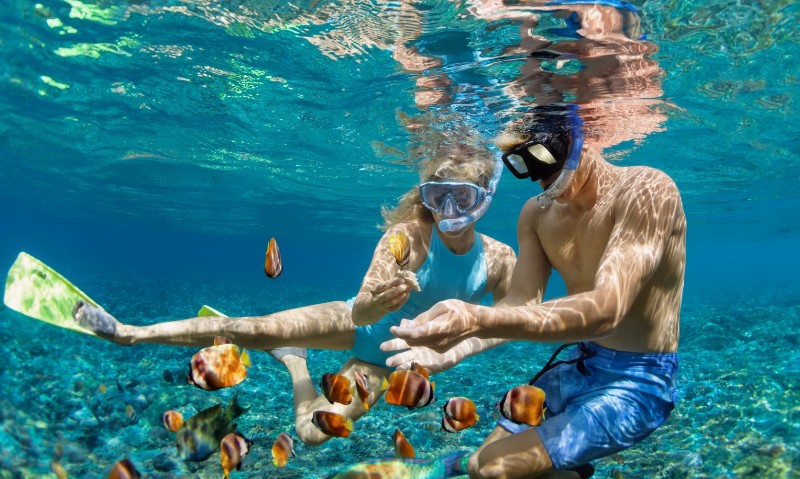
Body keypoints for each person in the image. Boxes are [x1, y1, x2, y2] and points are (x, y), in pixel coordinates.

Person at [73, 140, 517, 446]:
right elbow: (361, 313)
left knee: (312, 434)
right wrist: (378, 301)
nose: (447, 211)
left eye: (462, 198)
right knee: (249, 329)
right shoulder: (407, 237)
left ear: (485, 198)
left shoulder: (499, 259)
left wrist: (457, 347)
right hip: (354, 324)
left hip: (386, 364)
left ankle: (294, 361)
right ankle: (129, 332)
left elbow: (514, 321)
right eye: (437, 197)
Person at [381, 104, 685, 479]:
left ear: (581, 137)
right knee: (479, 464)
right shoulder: (536, 214)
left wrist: (475, 319)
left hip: (638, 380)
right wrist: (457, 347)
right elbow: (521, 301)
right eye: (524, 165)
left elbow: (609, 308)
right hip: (579, 362)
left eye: (545, 158)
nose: (541, 179)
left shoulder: (647, 189)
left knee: (492, 470)